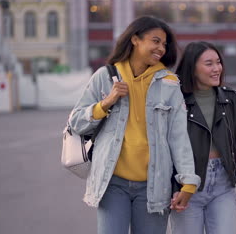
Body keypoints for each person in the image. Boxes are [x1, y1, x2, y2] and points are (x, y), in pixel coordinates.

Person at [69, 16, 200, 234]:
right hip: (112, 184)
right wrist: (106, 103)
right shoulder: (105, 76)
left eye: (164, 44)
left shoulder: (169, 83)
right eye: (155, 41)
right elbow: (76, 122)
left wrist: (188, 181)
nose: (160, 48)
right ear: (135, 40)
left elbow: (178, 137)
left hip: (154, 187)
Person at [170, 41, 236, 234]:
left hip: (223, 184)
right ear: (192, 68)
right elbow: (167, 149)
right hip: (187, 184)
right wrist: (174, 187)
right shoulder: (175, 99)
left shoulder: (230, 99)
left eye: (218, 62)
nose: (217, 69)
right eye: (209, 64)